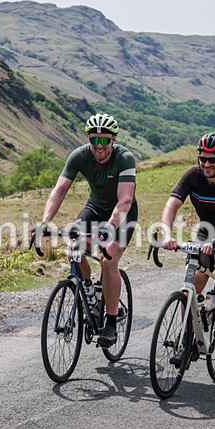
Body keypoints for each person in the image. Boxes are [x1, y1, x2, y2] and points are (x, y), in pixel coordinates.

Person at [35, 113, 137, 347]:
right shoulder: (79, 156)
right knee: (74, 248)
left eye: (105, 141)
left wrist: (110, 227)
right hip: (94, 208)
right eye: (94, 140)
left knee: (107, 261)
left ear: (114, 139)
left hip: (122, 214)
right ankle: (89, 289)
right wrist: (44, 222)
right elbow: (59, 190)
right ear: (88, 140)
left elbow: (124, 201)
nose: (99, 147)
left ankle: (110, 323)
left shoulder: (125, 158)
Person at [159, 132, 215, 337]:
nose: (206, 164)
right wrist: (166, 234)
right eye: (202, 158)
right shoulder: (192, 175)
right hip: (206, 232)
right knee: (191, 282)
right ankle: (187, 338)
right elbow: (171, 205)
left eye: (212, 160)